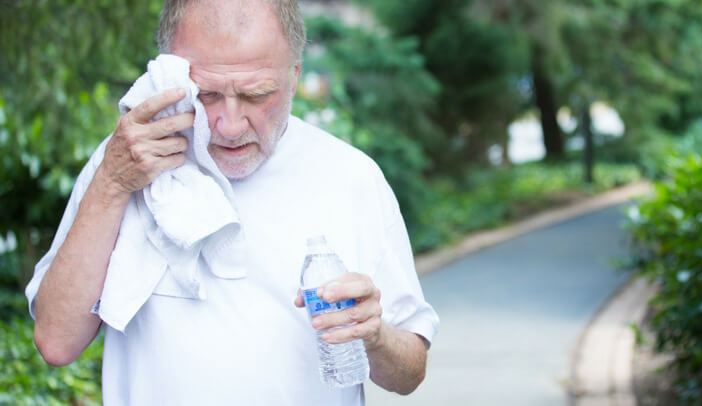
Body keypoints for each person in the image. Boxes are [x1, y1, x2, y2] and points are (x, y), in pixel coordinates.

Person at [25, 0, 439, 404]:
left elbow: (409, 374)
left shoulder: (351, 177)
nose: (229, 124)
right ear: (169, 73)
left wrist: (375, 335)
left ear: (293, 76)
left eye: (257, 94)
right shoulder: (125, 161)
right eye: (205, 94)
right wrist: (113, 183)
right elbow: (56, 342)